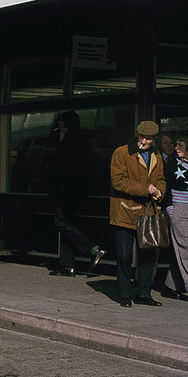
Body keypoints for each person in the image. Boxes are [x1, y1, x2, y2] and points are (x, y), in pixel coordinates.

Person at [109, 120, 167, 307]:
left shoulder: (156, 155)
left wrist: (160, 190)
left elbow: (161, 179)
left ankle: (143, 293)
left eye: (148, 139)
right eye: (141, 136)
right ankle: (125, 294)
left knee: (148, 255)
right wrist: (146, 189)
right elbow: (118, 181)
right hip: (124, 213)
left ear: (154, 139)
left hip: (148, 212)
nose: (143, 141)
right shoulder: (122, 152)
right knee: (124, 255)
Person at [48, 111, 106, 276]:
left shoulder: (68, 142)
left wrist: (56, 187)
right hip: (81, 191)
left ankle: (93, 249)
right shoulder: (85, 142)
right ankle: (67, 265)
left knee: (60, 222)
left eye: (61, 123)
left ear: (65, 124)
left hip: (67, 190)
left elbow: (60, 168)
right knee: (69, 225)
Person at [161, 133, 188, 301]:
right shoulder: (172, 165)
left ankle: (171, 285)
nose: (176, 148)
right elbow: (166, 188)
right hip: (179, 209)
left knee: (182, 249)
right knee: (185, 247)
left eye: (180, 145)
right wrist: (171, 210)